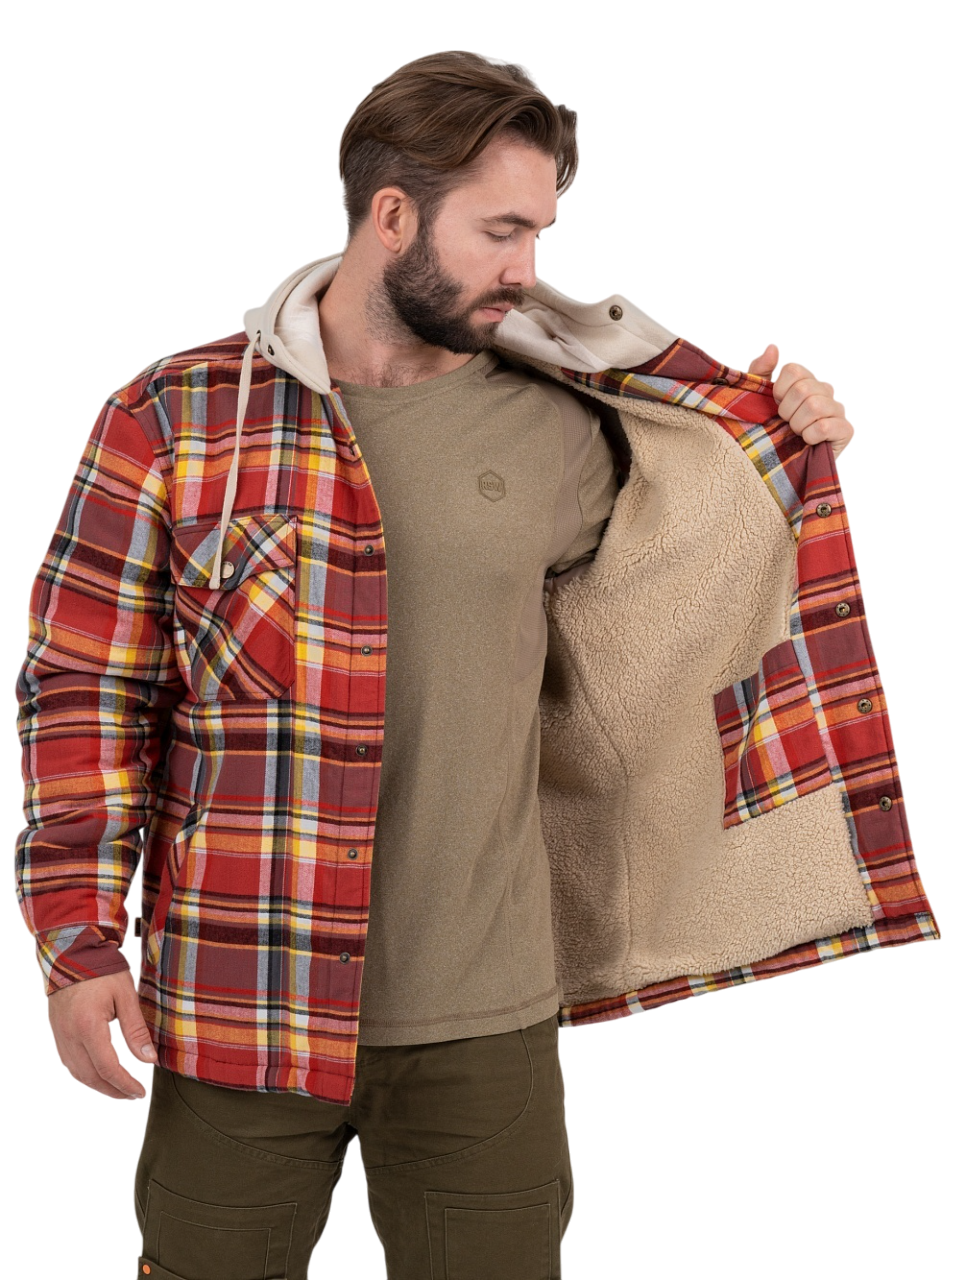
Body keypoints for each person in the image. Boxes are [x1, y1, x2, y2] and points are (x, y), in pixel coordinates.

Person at [14, 49, 939, 1280]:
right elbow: (86, 691)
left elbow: (713, 526)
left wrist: (788, 430)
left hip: (486, 1024)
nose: (527, 266)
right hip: (238, 999)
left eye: (539, 232)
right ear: (393, 216)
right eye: (502, 230)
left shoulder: (560, 425)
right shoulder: (176, 418)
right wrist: (77, 942)